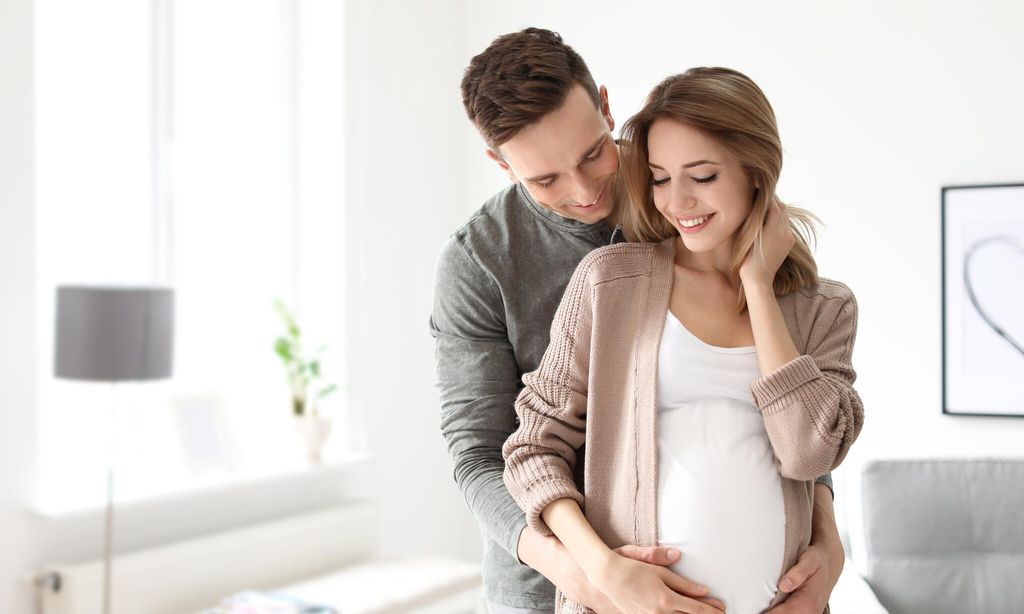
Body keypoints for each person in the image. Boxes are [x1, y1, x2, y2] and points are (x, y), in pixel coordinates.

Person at [431, 28, 846, 614]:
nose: (583, 190)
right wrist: (589, 574)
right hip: (549, 584)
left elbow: (774, 398)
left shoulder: (693, 192)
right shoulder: (479, 261)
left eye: (593, 153)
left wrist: (826, 542)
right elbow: (481, 454)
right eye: (545, 179)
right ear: (500, 164)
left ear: (605, 107)